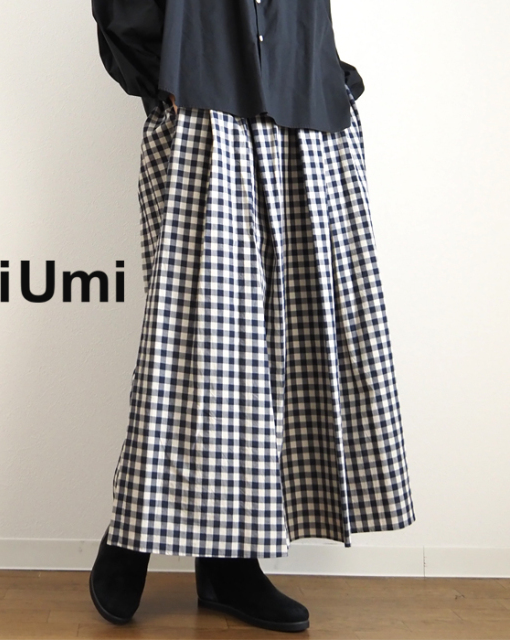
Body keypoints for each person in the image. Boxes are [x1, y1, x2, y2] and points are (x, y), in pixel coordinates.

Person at [88, 0, 416, 633]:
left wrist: (329, 78)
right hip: (204, 110)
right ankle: (131, 535)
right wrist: (168, 79)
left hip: (305, 115)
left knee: (290, 343)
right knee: (191, 344)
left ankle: (229, 566)